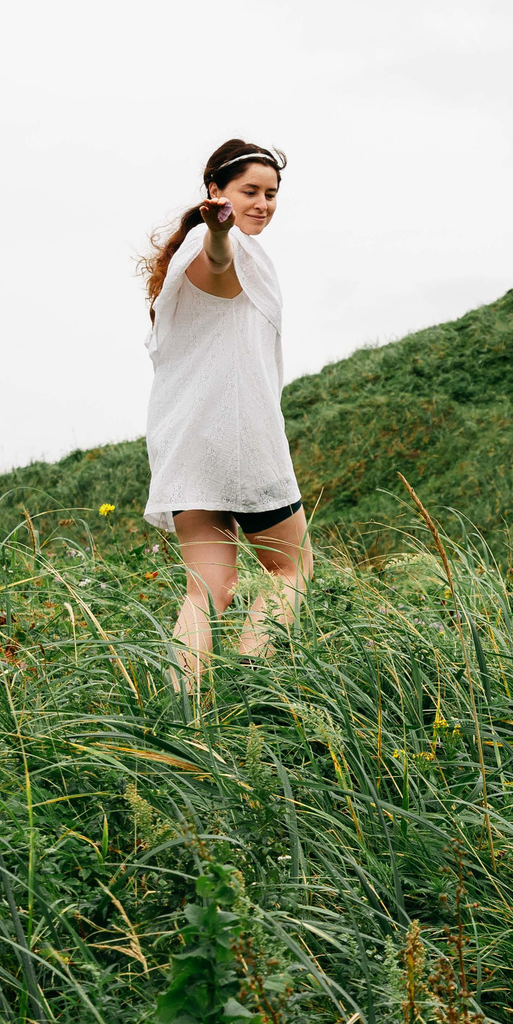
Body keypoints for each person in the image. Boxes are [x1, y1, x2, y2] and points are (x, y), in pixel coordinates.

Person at [141, 138, 310, 692]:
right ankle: (254, 691)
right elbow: (221, 264)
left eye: (272, 193)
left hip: (186, 445)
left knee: (207, 591)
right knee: (290, 570)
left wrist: (217, 231)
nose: (263, 203)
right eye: (250, 191)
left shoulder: (188, 254)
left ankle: (182, 714)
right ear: (216, 192)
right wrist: (218, 231)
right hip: (239, 440)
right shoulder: (213, 247)